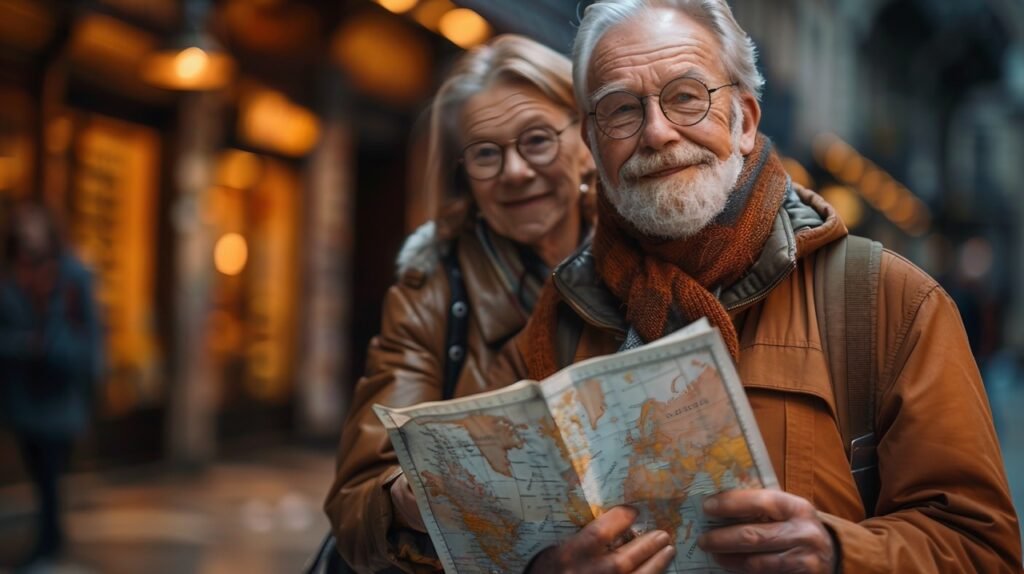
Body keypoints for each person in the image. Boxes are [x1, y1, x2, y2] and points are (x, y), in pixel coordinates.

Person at [494, 1, 1021, 572]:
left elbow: (983, 551)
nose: (655, 131)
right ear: (593, 144)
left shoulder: (892, 302)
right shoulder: (547, 320)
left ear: (744, 121)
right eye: (621, 111)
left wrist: (838, 553)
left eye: (687, 96)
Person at [323, 34, 596, 572]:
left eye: (537, 140)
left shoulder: (654, 264)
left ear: (586, 141)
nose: (515, 171)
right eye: (487, 154)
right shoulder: (431, 291)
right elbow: (356, 502)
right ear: (465, 176)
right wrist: (412, 495)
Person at [0, 200, 104, 569]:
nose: (29, 234)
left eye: (35, 226)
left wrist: (93, 381)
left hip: (61, 392)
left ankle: (48, 542)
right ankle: (50, 538)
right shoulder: (12, 276)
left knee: (50, 473)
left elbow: (92, 333)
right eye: (23, 227)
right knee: (39, 472)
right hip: (25, 396)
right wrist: (25, 345)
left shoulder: (71, 275)